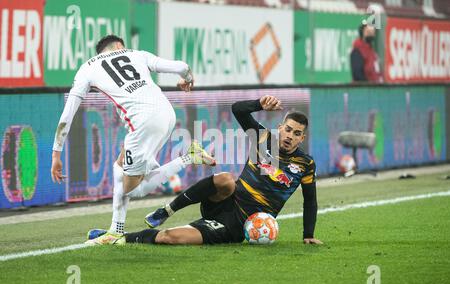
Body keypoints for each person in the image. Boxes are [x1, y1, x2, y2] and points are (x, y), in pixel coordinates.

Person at [89, 95, 322, 246]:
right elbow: (238, 109)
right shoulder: (263, 137)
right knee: (226, 180)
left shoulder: (305, 164)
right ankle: (167, 210)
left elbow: (310, 201)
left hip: (239, 225)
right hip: (224, 200)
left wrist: (308, 235)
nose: (290, 136)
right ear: (280, 127)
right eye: (288, 129)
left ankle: (118, 238)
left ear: (303, 138)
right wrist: (259, 104)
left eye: (297, 133)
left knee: (171, 237)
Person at [51, 35, 216, 239]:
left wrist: (56, 152)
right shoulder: (137, 54)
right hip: (166, 113)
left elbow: (68, 112)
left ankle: (190, 157)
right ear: (120, 46)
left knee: (132, 190)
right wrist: (187, 80)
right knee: (119, 166)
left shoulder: (87, 68)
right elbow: (182, 66)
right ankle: (115, 230)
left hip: (143, 123)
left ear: (102, 51)